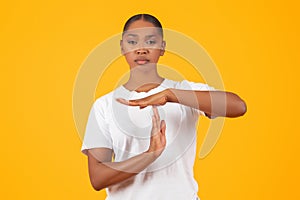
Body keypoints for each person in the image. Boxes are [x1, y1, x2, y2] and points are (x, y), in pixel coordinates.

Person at [81, 14, 246, 200]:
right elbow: (97, 178)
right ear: (122, 47)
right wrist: (149, 155)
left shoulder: (186, 91)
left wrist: (170, 95)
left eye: (151, 41)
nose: (141, 49)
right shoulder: (104, 106)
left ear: (162, 47)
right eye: (133, 42)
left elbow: (238, 106)